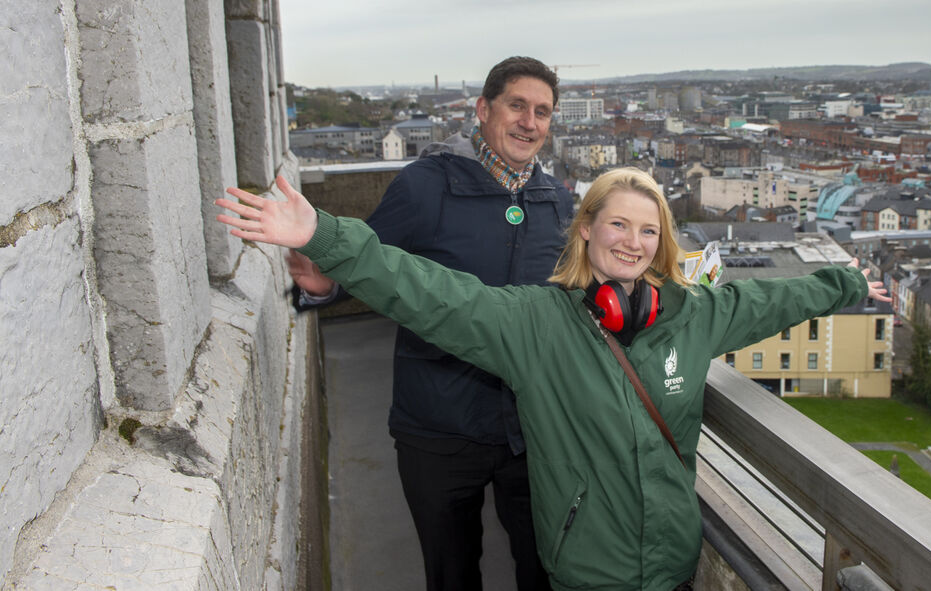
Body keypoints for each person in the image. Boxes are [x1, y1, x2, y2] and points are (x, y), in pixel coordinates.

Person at [217, 168, 890, 591]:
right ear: (587, 230)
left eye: (647, 230)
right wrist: (327, 236)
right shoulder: (534, 324)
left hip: (674, 568)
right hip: (587, 572)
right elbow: (431, 293)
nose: (632, 241)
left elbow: (778, 301)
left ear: (663, 243)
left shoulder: (693, 315)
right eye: (618, 224)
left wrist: (852, 281)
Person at [288, 57, 571, 590]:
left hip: (530, 430)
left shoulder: (556, 200)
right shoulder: (424, 185)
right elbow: (368, 260)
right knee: (451, 573)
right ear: (484, 109)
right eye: (517, 106)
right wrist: (324, 285)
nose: (530, 123)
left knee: (546, 569)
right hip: (439, 426)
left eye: (542, 112)